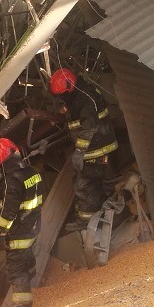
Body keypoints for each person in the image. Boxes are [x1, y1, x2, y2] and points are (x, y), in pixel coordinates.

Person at [49, 68, 118, 230]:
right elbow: (76, 120)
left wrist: (79, 152)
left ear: (69, 88)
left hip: (97, 149)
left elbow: (89, 127)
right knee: (91, 184)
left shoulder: (85, 99)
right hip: (95, 149)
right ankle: (99, 218)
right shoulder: (78, 94)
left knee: (85, 185)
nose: (60, 98)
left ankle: (87, 222)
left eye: (61, 95)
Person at [0, 138, 44, 307]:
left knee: (16, 269)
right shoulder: (32, 172)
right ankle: (30, 277)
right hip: (32, 226)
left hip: (18, 231)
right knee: (26, 259)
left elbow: (8, 213)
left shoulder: (11, 182)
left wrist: (0, 234)